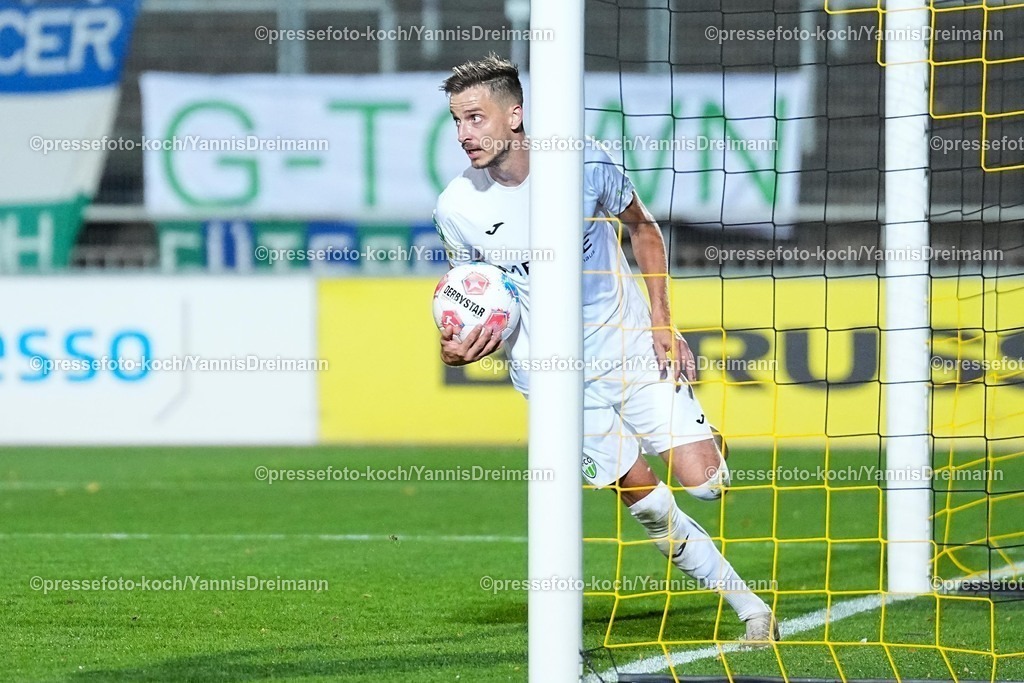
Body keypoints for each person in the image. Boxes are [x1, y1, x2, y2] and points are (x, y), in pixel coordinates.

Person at [432, 54, 779, 642]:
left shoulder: (584, 162)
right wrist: (456, 347)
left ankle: (693, 437)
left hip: (625, 343)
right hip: (547, 373)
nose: (466, 135)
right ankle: (750, 609)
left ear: (514, 114)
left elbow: (642, 228)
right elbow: (469, 293)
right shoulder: (456, 206)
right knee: (646, 504)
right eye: (457, 122)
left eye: (475, 117)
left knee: (705, 482)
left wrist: (665, 321)